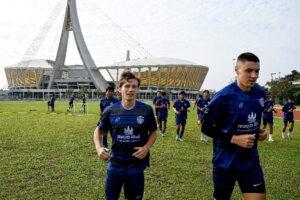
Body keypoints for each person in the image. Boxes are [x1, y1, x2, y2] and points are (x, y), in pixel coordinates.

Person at [202, 52, 267, 200]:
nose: (254, 75)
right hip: (225, 162)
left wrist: (259, 132)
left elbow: (251, 121)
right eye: (249, 70)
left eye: (257, 71)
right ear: (236, 70)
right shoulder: (223, 96)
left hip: (250, 161)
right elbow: (206, 127)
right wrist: (234, 139)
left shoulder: (260, 93)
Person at [93, 71, 157, 200]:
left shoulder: (146, 110)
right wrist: (99, 147)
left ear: (137, 90)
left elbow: (154, 132)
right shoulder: (111, 110)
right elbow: (98, 131)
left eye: (134, 86)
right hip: (115, 165)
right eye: (127, 86)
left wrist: (146, 147)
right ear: (120, 89)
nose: (130, 89)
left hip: (136, 166)